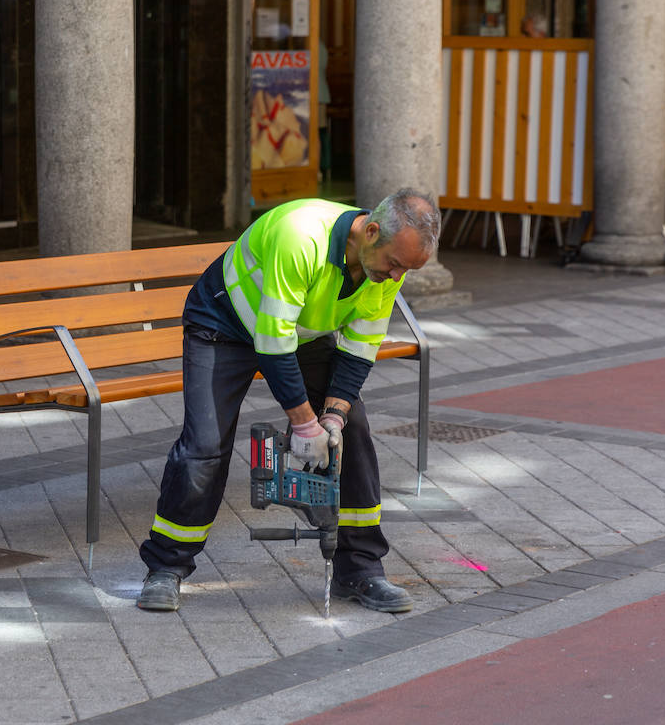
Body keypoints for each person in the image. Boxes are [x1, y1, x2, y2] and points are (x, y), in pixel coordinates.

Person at [136, 188, 441, 613]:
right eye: (393, 264)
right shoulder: (300, 234)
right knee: (204, 446)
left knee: (352, 433)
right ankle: (165, 567)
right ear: (370, 230)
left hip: (298, 331)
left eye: (404, 270)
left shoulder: (387, 266)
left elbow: (360, 347)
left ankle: (361, 569)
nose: (395, 277)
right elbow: (272, 343)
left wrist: (333, 416)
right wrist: (304, 424)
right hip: (222, 325)